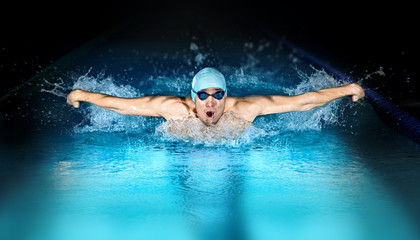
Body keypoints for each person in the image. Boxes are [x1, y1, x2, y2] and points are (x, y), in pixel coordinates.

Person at [66, 67, 365, 127]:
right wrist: (82, 95)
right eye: (204, 96)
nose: (210, 103)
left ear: (227, 95)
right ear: (192, 96)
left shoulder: (245, 110)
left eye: (218, 95)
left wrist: (349, 89)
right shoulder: (174, 110)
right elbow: (124, 106)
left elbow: (304, 101)